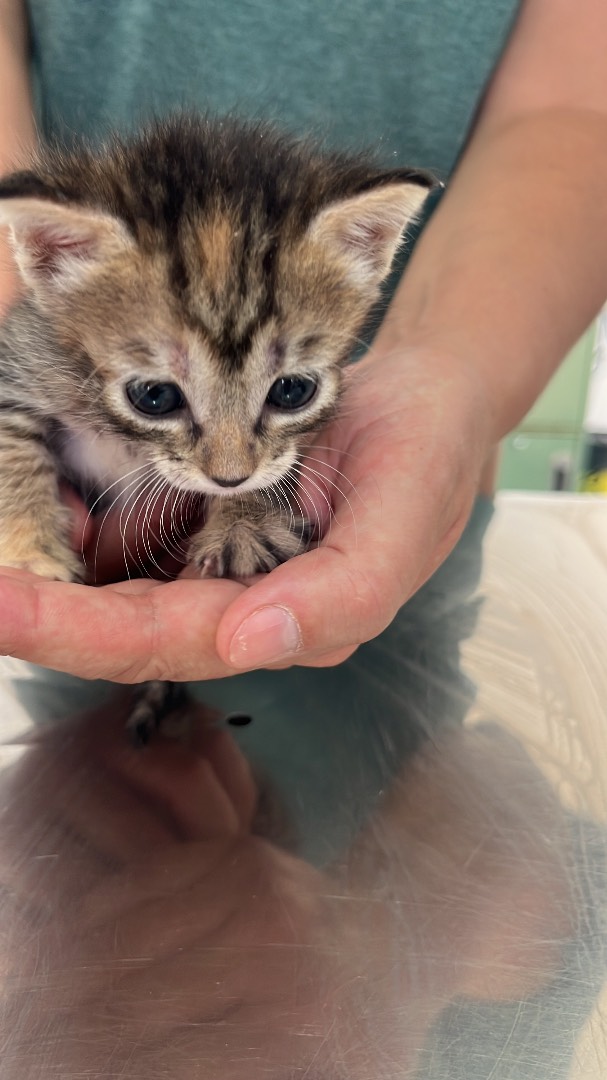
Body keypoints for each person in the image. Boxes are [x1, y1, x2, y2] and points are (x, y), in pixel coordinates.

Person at [0, 0, 606, 855]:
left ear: (367, 251)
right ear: (55, 260)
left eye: (287, 391)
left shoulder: (305, 330)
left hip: (396, 631)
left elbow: (576, 105)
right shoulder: (67, 312)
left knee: (362, 832)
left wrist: (452, 370)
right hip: (65, 701)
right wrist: (25, 526)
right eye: (160, 398)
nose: (231, 461)